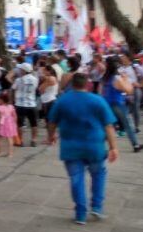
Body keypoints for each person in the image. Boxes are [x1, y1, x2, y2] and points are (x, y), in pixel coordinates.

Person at [47, 73, 119, 224]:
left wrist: (51, 136)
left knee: (76, 179)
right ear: (88, 84)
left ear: (72, 84)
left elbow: (52, 122)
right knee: (98, 174)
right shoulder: (98, 100)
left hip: (70, 148)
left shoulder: (62, 100)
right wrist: (113, 147)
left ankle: (80, 214)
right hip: (95, 147)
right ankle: (97, 207)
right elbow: (109, 126)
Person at [101, 56, 143, 152]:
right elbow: (129, 90)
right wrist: (126, 79)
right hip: (118, 104)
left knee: (108, 125)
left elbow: (101, 91)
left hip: (107, 104)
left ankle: (97, 144)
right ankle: (135, 145)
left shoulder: (105, 77)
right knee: (128, 125)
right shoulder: (117, 79)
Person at [12, 62, 39, 147]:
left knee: (20, 124)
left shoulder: (18, 80)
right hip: (32, 103)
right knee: (34, 124)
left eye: (21, 69)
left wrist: (11, 100)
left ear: (24, 71)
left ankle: (21, 141)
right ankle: (33, 140)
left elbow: (13, 89)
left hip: (20, 104)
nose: (19, 71)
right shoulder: (35, 79)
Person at [0, 91, 17, 158]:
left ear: (2, 100)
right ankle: (10, 153)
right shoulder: (11, 106)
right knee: (10, 138)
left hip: (2, 123)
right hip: (10, 123)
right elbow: (14, 116)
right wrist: (14, 123)